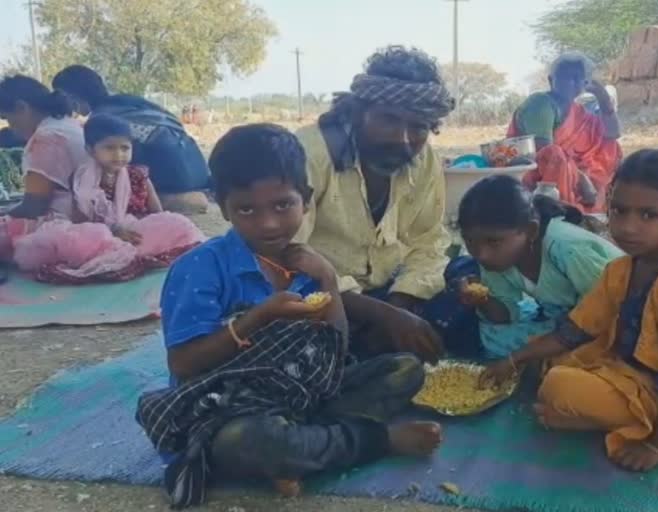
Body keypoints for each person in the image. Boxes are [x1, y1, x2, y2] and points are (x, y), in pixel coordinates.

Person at [137, 124, 441, 509]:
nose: (268, 224)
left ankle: (302, 449)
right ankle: (372, 440)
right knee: (251, 441)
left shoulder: (306, 263)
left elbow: (335, 350)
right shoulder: (201, 267)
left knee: (405, 369)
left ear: (307, 199)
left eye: (283, 205)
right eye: (246, 209)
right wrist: (256, 319)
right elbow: (183, 364)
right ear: (222, 204)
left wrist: (328, 280)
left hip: (297, 392)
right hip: (223, 406)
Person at [481, 149, 658, 472]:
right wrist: (512, 360)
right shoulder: (622, 269)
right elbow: (575, 331)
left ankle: (632, 426)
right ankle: (600, 415)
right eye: (619, 211)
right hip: (629, 373)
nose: (628, 227)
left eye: (648, 215)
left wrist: (657, 449)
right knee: (549, 366)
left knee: (559, 388)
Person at [295, 45, 474, 362]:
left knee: (470, 277)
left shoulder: (425, 160)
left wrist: (400, 305)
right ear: (357, 113)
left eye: (418, 127)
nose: (402, 140)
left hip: (389, 291)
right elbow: (285, 257)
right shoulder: (310, 153)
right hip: (322, 296)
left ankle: (373, 350)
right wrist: (385, 317)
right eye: (389, 120)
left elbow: (428, 242)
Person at [11, 114, 204, 284]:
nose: (119, 155)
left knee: (174, 223)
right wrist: (112, 231)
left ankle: (130, 253)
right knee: (89, 238)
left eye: (124, 148)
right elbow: (81, 220)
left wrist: (155, 226)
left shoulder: (137, 174)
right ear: (90, 149)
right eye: (109, 148)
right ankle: (119, 255)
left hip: (134, 229)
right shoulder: (81, 177)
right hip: (100, 234)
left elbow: (157, 212)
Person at [456, 175, 623, 358]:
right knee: (491, 335)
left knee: (582, 355)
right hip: (564, 314)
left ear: (530, 231)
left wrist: (530, 352)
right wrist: (483, 300)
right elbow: (504, 316)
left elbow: (607, 307)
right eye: (470, 241)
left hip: (613, 315)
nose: (481, 254)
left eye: (493, 242)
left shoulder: (567, 249)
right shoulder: (495, 260)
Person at [51, 65, 210, 197]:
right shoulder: (128, 101)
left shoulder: (101, 119)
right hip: (198, 169)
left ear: (72, 97)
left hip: (176, 180)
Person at [507, 52, 622, 213]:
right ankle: (564, 212)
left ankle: (594, 209)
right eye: (565, 77)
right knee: (555, 154)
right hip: (533, 173)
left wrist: (602, 97)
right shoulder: (540, 103)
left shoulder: (579, 111)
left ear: (585, 83)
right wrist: (582, 178)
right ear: (550, 80)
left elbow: (612, 134)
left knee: (611, 147)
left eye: (578, 78)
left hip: (572, 169)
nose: (572, 83)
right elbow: (546, 153)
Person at [0, 75, 89, 262]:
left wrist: (5, 214)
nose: (11, 127)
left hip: (64, 230)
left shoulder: (46, 138)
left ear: (21, 108)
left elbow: (34, 206)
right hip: (87, 220)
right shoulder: (69, 125)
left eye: (8, 119)